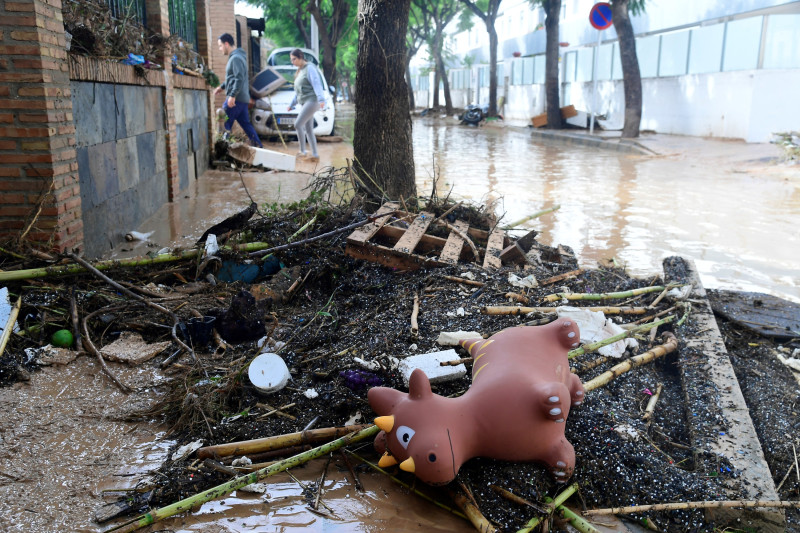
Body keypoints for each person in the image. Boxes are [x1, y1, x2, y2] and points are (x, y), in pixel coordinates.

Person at [213, 33, 263, 148]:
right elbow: (233, 78)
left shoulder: (235, 58)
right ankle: (259, 147)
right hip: (241, 98)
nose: (220, 49)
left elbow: (239, 78)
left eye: (220, 46)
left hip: (236, 99)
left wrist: (232, 95)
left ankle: (222, 152)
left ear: (226, 44)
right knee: (246, 125)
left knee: (224, 123)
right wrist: (222, 87)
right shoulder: (237, 57)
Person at [287, 48, 326, 162]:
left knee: (298, 124)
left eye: (294, 59)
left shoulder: (310, 68)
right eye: (291, 60)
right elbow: (298, 91)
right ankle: (315, 155)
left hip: (312, 101)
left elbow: (316, 83)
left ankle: (302, 152)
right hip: (305, 102)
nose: (292, 62)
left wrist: (321, 99)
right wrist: (291, 104)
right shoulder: (300, 71)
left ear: (300, 57)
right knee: (308, 128)